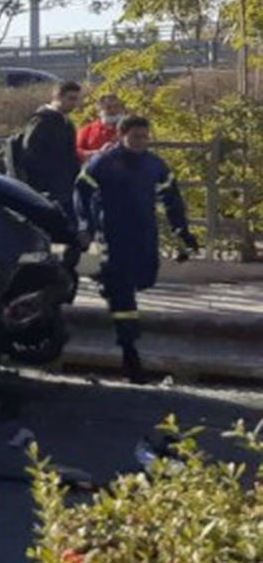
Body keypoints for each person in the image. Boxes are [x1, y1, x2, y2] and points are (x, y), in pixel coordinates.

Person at [75, 115, 199, 382]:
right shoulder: (105, 162)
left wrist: (182, 231)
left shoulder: (154, 164)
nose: (141, 142)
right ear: (122, 136)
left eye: (145, 137)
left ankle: (109, 285)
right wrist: (85, 226)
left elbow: (171, 198)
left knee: (145, 278)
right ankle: (129, 353)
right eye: (135, 137)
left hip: (144, 235)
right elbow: (81, 191)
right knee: (124, 295)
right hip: (114, 236)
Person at [18, 80, 85, 266]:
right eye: (70, 99)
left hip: (64, 186)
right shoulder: (43, 120)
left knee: (69, 230)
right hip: (47, 188)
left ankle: (64, 267)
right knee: (53, 230)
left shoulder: (65, 122)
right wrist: (43, 183)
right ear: (57, 97)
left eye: (76, 99)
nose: (74, 103)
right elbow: (30, 153)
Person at [76, 93, 126, 162]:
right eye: (108, 107)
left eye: (116, 106)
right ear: (100, 109)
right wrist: (97, 153)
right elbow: (76, 151)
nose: (113, 110)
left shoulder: (130, 128)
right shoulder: (88, 129)